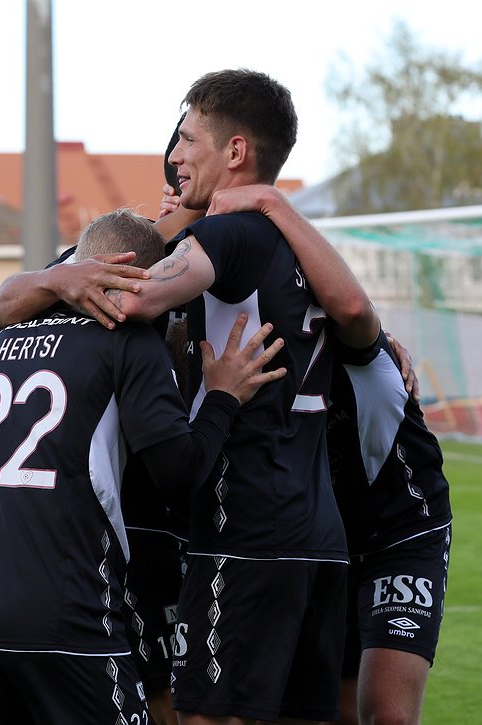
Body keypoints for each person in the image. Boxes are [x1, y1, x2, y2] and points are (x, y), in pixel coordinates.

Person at [98, 69, 377, 725]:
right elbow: (359, 318)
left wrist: (59, 277)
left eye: (189, 139)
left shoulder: (230, 236)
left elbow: (132, 296)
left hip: (243, 533)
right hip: (318, 534)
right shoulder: (298, 244)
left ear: (235, 152)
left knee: (208, 716)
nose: (173, 156)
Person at [0, 208, 287, 724]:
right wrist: (221, 398)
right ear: (139, 278)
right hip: (67, 614)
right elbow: (179, 473)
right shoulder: (127, 341)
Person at [207, 184, 451, 725]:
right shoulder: (247, 356)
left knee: (386, 716)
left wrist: (271, 201)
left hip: (398, 532)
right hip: (320, 542)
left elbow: (354, 307)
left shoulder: (358, 343)